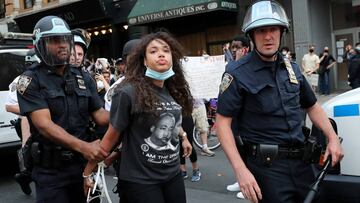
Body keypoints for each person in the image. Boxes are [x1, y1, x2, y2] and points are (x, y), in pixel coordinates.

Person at [216, 1, 344, 203]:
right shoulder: (236, 73)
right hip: (267, 170)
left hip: (303, 165)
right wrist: (240, 170)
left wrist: (332, 137)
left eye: (273, 29)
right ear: (251, 35)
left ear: (282, 31)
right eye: (261, 31)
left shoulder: (292, 68)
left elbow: (312, 106)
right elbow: (222, 124)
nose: (268, 36)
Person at [83, 31, 193, 203]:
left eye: (166, 50)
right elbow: (111, 137)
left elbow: (172, 120)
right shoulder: (127, 92)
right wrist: (88, 171)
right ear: (143, 60)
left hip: (172, 174)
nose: (161, 54)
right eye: (153, 51)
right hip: (141, 180)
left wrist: (184, 137)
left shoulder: (173, 89)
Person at [16, 16, 109, 202]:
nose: (63, 45)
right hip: (52, 173)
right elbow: (44, 125)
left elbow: (100, 115)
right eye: (54, 40)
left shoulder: (83, 77)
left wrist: (128, 108)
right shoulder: (30, 80)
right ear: (40, 45)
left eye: (65, 40)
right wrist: (85, 147)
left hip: (84, 166)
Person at [5, 49, 40, 195]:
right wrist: (33, 110)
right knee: (34, 157)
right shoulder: (24, 80)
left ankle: (25, 177)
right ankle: (25, 177)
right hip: (29, 124)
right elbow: (9, 106)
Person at [104, 39, 141, 111]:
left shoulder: (160, 82)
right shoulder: (116, 89)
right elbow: (112, 118)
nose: (140, 61)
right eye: (134, 58)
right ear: (126, 61)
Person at [180, 115, 201, 182]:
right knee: (179, 145)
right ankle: (183, 171)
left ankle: (196, 169)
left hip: (185, 117)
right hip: (175, 117)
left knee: (189, 145)